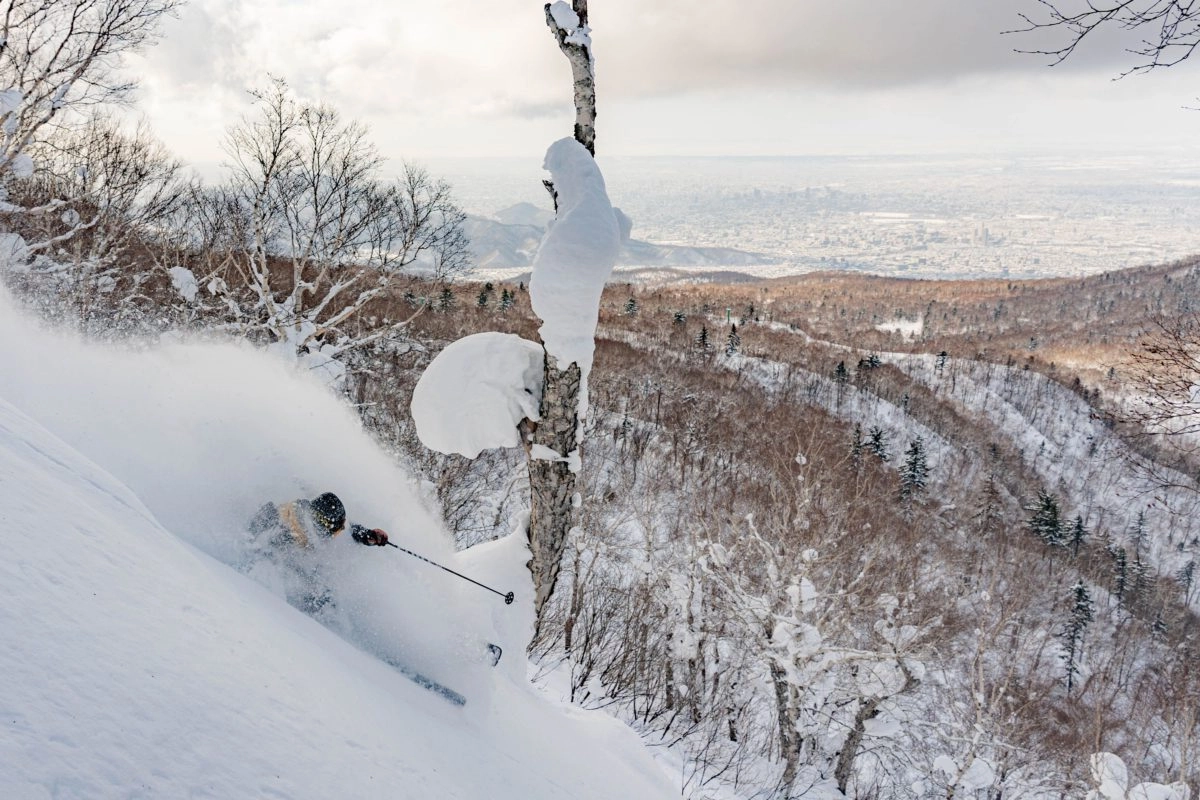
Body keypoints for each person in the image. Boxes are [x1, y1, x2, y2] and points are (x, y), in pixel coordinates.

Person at [247, 491, 389, 613]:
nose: (342, 528)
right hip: (283, 574)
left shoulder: (315, 515)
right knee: (319, 594)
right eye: (338, 526)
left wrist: (368, 535)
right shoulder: (289, 530)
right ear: (324, 526)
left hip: (302, 567)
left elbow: (352, 531)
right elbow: (261, 550)